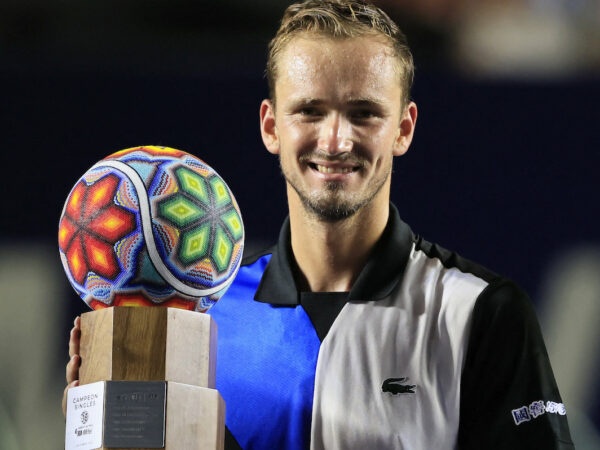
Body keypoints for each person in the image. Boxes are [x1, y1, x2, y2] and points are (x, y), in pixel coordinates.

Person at [64, 0, 575, 448]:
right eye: (309, 110)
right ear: (271, 127)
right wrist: (97, 429)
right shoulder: (200, 321)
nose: (335, 141)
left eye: (364, 113)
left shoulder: (481, 312)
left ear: (403, 129)